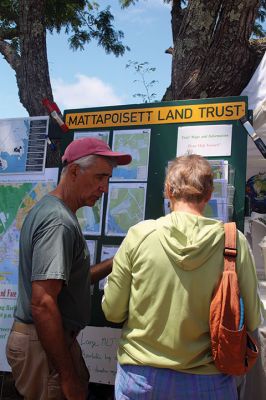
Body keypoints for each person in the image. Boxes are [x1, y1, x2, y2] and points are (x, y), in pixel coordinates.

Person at [102, 154, 262, 400]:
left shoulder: (139, 235)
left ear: (168, 191)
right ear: (208, 194)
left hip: (141, 379)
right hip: (210, 382)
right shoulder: (233, 242)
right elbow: (252, 319)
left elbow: (112, 311)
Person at [6, 137, 132, 400]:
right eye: (100, 177)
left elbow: (71, 281)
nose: (105, 188)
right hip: (43, 344)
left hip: (45, 341)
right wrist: (67, 375)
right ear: (74, 171)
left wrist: (115, 262)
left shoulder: (51, 210)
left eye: (108, 179)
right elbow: (43, 302)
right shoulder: (59, 222)